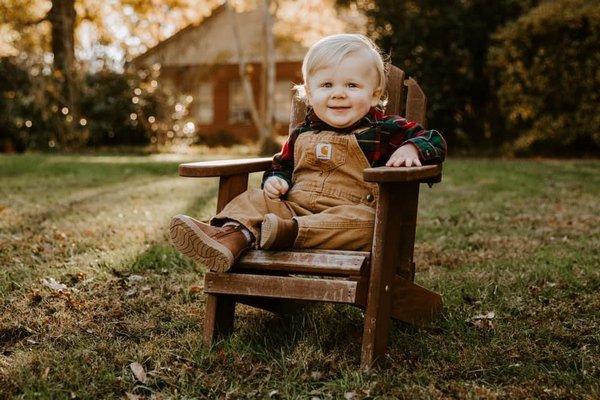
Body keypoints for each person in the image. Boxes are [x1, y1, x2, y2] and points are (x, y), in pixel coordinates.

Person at [169, 33, 446, 272]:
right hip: (292, 207)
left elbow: (432, 138)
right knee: (255, 198)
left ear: (374, 95)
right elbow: (282, 165)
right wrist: (275, 180)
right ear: (310, 95)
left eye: (352, 85)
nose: (338, 94)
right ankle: (228, 237)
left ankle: (283, 234)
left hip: (345, 214)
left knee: (368, 224)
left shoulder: (385, 129)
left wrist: (412, 147)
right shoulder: (301, 133)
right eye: (326, 85)